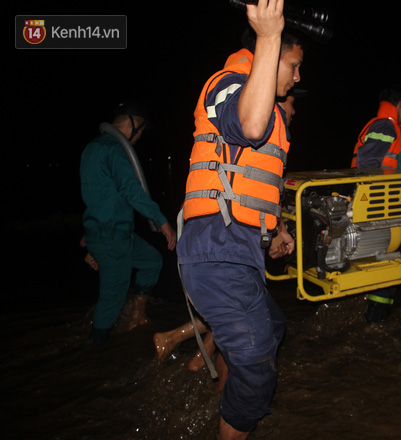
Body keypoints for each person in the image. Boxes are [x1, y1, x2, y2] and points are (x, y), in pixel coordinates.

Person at [176, 1, 300, 438]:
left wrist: (279, 229)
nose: (298, 76)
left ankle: (223, 401)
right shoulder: (228, 83)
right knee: (257, 366)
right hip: (216, 250)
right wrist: (270, 33)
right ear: (270, 52)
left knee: (273, 327)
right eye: (294, 64)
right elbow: (248, 127)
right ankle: (235, 409)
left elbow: (255, 179)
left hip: (238, 249)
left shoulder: (265, 97)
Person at [80, 100, 176, 344]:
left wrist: (88, 229)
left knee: (152, 261)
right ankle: (96, 350)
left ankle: (137, 315)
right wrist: (162, 222)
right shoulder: (114, 149)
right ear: (135, 125)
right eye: (141, 130)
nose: (141, 136)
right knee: (112, 296)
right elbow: (132, 190)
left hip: (108, 232)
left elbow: (96, 192)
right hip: (112, 237)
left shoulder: (92, 147)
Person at [351, 85, 401, 322]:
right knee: (395, 258)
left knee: (391, 257)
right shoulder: (386, 126)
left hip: (381, 205)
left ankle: (368, 313)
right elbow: (367, 163)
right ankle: (375, 320)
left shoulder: (384, 125)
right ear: (400, 105)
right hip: (378, 206)